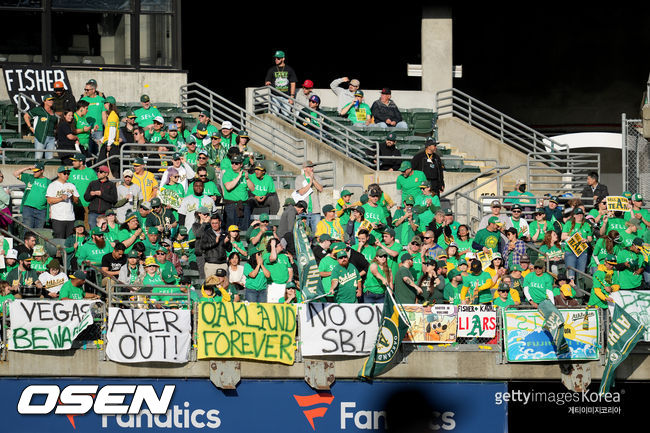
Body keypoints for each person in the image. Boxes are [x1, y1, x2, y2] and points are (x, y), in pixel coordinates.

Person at [14, 162, 50, 229]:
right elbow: (15, 173)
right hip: (28, 208)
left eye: (36, 171)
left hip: (41, 210)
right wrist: (27, 168)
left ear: (42, 171)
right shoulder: (30, 177)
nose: (34, 173)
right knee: (28, 230)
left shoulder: (48, 182)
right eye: (33, 171)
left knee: (39, 232)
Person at [46, 166, 80, 239]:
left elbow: (76, 201)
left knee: (69, 240)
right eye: (64, 173)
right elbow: (49, 200)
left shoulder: (71, 185)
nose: (67, 175)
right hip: (58, 217)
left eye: (68, 173)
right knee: (59, 239)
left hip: (70, 217)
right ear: (59, 174)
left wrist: (72, 196)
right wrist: (61, 198)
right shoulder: (52, 185)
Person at [24, 93, 57, 160]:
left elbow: (55, 124)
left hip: (51, 137)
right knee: (38, 157)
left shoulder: (53, 111)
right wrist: (30, 127)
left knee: (50, 158)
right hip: (41, 137)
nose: (51, 101)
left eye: (52, 100)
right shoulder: (39, 109)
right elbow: (26, 116)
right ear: (44, 101)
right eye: (49, 100)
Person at [264, 50, 297, 117]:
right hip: (275, 97)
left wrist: (292, 97)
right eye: (275, 58)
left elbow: (293, 83)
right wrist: (267, 83)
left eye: (278, 58)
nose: (276, 60)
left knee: (287, 116)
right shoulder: (272, 70)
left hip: (286, 97)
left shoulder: (289, 69)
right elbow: (267, 80)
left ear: (283, 58)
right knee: (274, 115)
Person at [294, 160, 323, 233]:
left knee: (316, 232)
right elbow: (301, 192)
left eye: (312, 167)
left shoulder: (316, 177)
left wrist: (313, 179)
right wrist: (310, 183)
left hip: (315, 210)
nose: (312, 169)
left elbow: (320, 189)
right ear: (304, 168)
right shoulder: (299, 178)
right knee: (303, 232)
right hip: (303, 211)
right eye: (309, 167)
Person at [69, 153, 97, 226]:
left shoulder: (91, 172)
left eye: (75, 161)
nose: (73, 162)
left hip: (87, 204)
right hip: (73, 203)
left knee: (86, 226)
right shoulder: (70, 172)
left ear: (81, 162)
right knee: (74, 226)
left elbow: (96, 186)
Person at [80, 79, 106, 156]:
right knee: (88, 152)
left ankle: (97, 167)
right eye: (85, 89)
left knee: (98, 152)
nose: (86, 91)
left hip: (98, 130)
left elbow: (104, 115)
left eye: (87, 90)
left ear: (94, 89)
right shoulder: (83, 100)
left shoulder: (101, 100)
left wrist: (106, 127)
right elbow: (79, 115)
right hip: (86, 130)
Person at [200, 213, 231, 277]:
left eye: (216, 223)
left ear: (220, 223)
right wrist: (215, 242)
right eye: (212, 223)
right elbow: (202, 246)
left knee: (224, 286)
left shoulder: (225, 233)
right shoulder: (206, 233)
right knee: (210, 285)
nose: (214, 225)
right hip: (211, 263)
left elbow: (229, 249)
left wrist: (226, 243)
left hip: (223, 263)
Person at [100, 96, 121, 176]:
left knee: (113, 169)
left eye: (105, 103)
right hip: (110, 143)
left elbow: (112, 130)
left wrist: (109, 144)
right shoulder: (112, 115)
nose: (104, 105)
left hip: (112, 145)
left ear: (109, 104)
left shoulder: (112, 115)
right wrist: (102, 139)